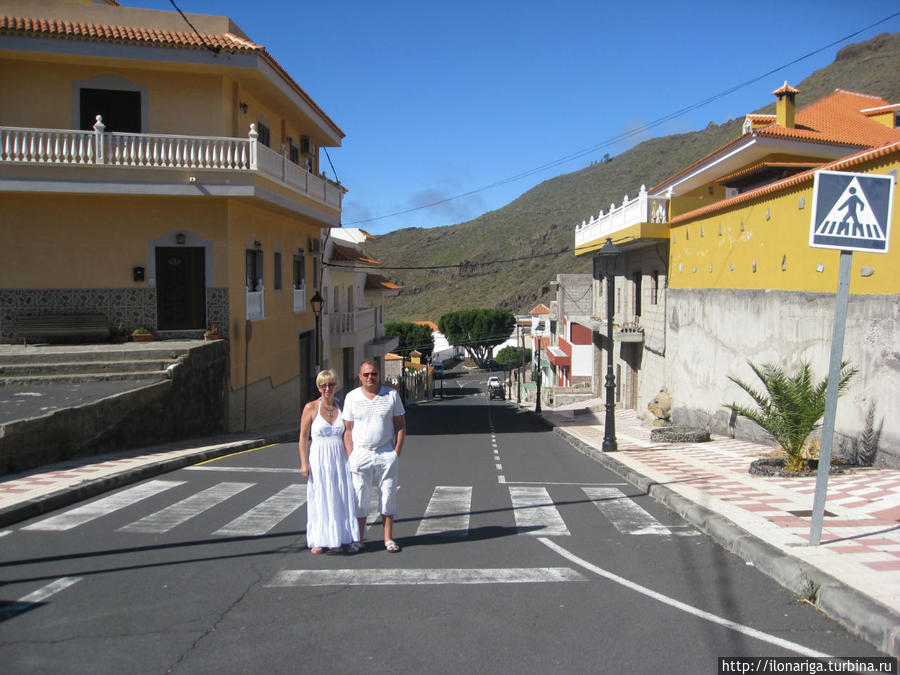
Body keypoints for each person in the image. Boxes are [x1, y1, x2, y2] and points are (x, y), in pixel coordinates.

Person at [342, 360, 406, 553]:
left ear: (379, 375)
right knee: (360, 497)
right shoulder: (351, 397)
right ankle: (359, 539)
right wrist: (351, 454)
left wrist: (396, 453)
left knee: (387, 495)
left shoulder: (392, 395)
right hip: (360, 453)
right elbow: (347, 429)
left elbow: (400, 425)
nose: (370, 377)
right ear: (360, 377)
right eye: (366, 374)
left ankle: (388, 539)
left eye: (374, 374)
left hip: (385, 452)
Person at [299, 370, 360, 554]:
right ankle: (319, 539)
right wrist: (304, 463)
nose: (327, 389)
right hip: (319, 459)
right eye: (323, 385)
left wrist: (353, 458)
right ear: (318, 387)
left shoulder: (343, 407)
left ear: (336, 386)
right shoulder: (310, 407)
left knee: (339, 496)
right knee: (320, 497)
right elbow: (302, 437)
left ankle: (337, 538)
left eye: (331, 385)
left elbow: (350, 434)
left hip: (339, 458)